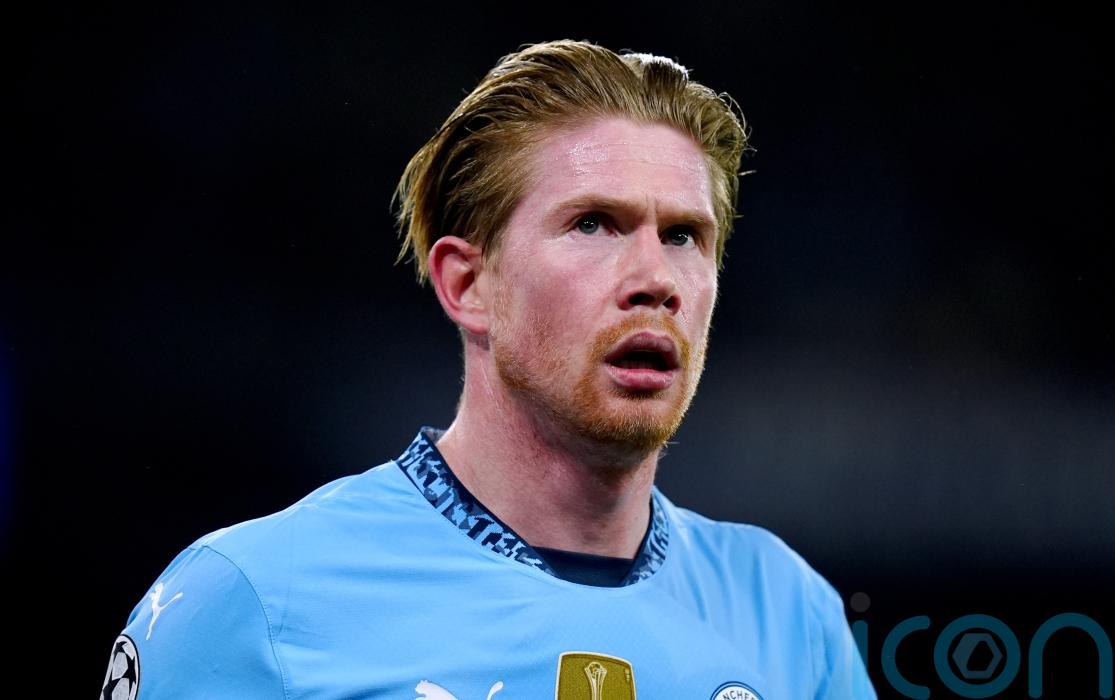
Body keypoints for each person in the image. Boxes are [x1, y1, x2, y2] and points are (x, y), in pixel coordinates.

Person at [100, 39, 876, 699]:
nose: (655, 279)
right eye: (594, 224)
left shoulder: (792, 619)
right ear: (468, 285)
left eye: (683, 236)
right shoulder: (255, 601)